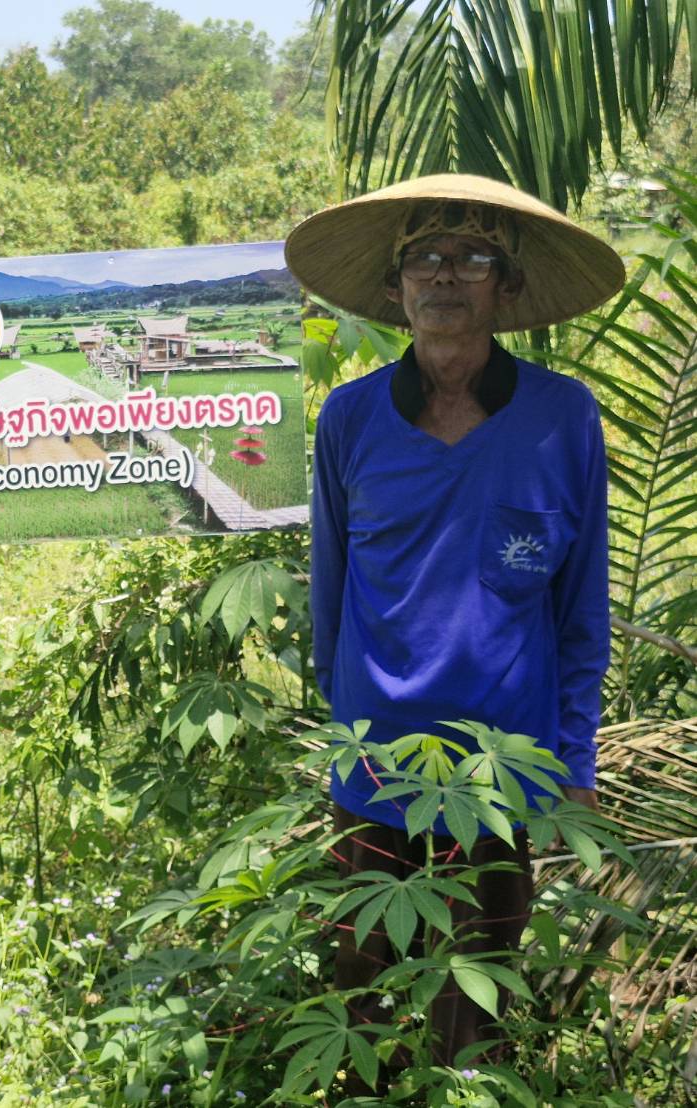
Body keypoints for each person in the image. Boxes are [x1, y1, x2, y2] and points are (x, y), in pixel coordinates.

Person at [284, 175, 623, 1074]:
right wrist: (344, 728)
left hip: (500, 774)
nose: (444, 276)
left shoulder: (563, 418)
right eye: (422, 258)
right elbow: (329, 596)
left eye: (472, 258)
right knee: (360, 998)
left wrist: (574, 761)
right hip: (374, 769)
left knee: (476, 1004)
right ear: (395, 286)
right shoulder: (349, 419)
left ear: (505, 290)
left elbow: (580, 609)